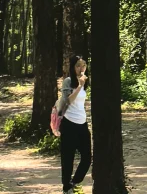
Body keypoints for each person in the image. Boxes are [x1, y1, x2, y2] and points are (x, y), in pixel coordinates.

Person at [56, 53, 91, 193]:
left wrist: (82, 84)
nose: (81, 68)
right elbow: (67, 101)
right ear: (73, 67)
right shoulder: (68, 81)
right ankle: (66, 187)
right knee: (68, 158)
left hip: (82, 123)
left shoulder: (85, 81)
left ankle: (74, 182)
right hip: (69, 123)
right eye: (78, 66)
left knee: (87, 157)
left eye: (84, 65)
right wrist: (78, 86)